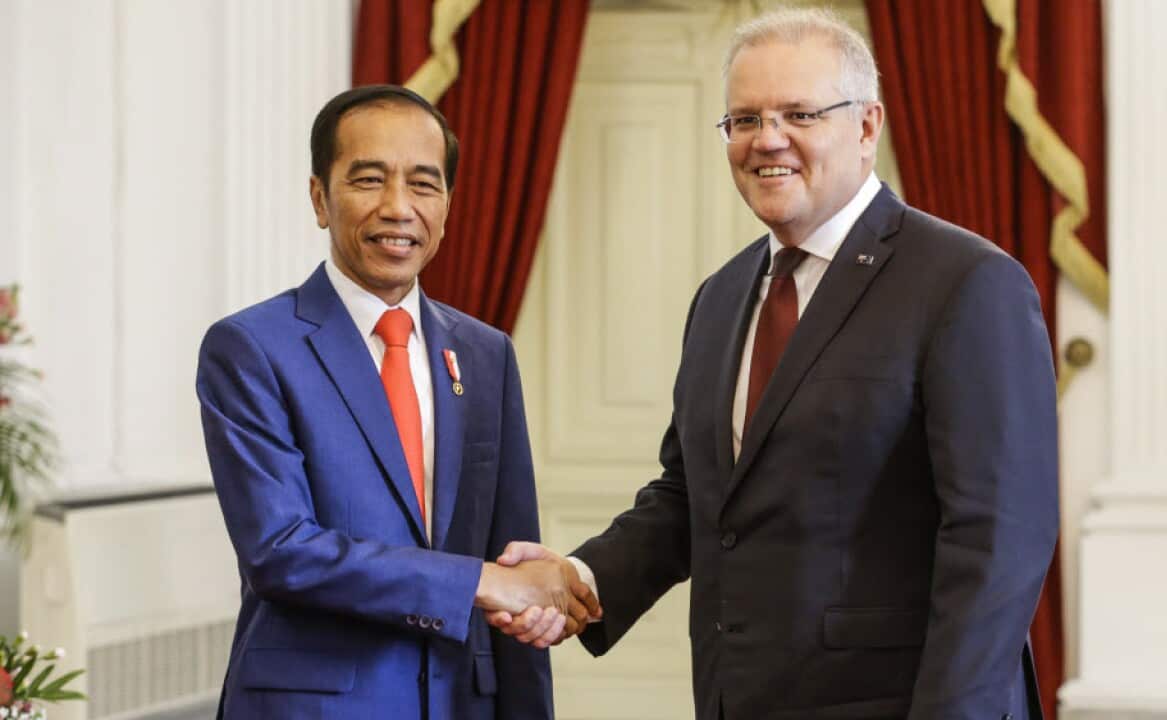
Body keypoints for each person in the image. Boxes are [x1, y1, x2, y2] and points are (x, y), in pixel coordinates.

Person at [490, 8, 1059, 719]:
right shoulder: (721, 297)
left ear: (867, 126)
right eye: (745, 119)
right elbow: (691, 496)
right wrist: (579, 578)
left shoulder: (967, 282)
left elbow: (998, 540)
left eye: (799, 114)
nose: (767, 139)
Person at [196, 85, 597, 720]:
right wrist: (485, 582)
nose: (398, 207)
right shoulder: (251, 348)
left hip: (462, 701)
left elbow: (512, 551)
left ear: (448, 206)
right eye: (368, 180)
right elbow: (282, 552)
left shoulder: (486, 354)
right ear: (320, 198)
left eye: (423, 184)